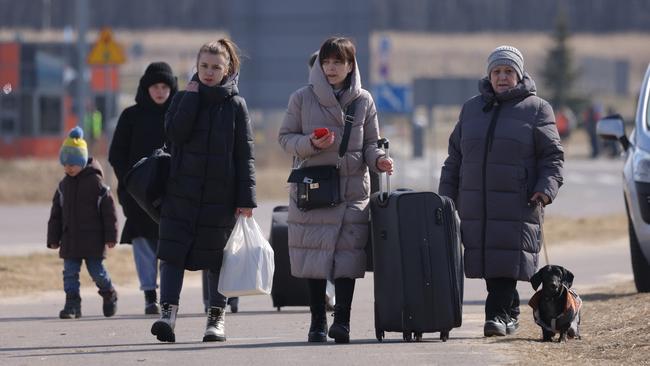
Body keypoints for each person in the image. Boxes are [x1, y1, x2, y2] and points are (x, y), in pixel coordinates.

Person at [438, 45, 564, 337]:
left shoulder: (537, 109)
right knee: (488, 258)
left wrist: (545, 189)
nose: (502, 77)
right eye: (497, 71)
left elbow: (552, 157)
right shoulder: (471, 109)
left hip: (517, 201)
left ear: (519, 75)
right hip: (475, 201)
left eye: (509, 71)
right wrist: (445, 197)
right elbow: (454, 157)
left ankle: (495, 315)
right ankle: (510, 313)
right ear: (489, 75)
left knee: (503, 260)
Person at [278, 36, 393, 344]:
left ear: (350, 65)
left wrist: (380, 160)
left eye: (338, 62)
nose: (331, 68)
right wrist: (310, 143)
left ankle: (341, 321)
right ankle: (317, 321)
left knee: (347, 258)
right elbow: (286, 138)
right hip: (314, 189)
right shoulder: (302, 98)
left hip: (352, 190)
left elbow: (371, 143)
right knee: (314, 258)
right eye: (326, 62)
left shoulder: (364, 100)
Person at [150, 38, 256, 343]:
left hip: (219, 198)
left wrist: (245, 200)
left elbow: (244, 155)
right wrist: (193, 98)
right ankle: (167, 315)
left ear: (228, 69)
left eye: (216, 67)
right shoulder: (183, 98)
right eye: (204, 66)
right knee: (171, 254)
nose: (209, 72)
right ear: (196, 67)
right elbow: (174, 134)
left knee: (217, 259)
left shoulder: (236, 106)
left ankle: (215, 317)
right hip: (180, 192)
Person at [109, 61, 178, 315]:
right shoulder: (131, 116)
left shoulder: (179, 114)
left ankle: (169, 297)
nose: (159, 92)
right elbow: (117, 155)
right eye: (154, 87)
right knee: (143, 245)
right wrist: (129, 185)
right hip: (138, 195)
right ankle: (150, 295)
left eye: (164, 86)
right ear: (145, 88)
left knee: (169, 245)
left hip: (172, 193)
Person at [47, 126, 119, 319]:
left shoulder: (96, 184)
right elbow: (56, 215)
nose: (69, 167)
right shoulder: (63, 186)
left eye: (73, 163)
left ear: (82, 161)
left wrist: (111, 237)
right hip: (70, 239)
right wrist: (53, 238)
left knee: (97, 273)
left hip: (93, 241)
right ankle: (72, 305)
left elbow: (109, 213)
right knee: (70, 273)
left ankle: (109, 293)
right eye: (66, 164)